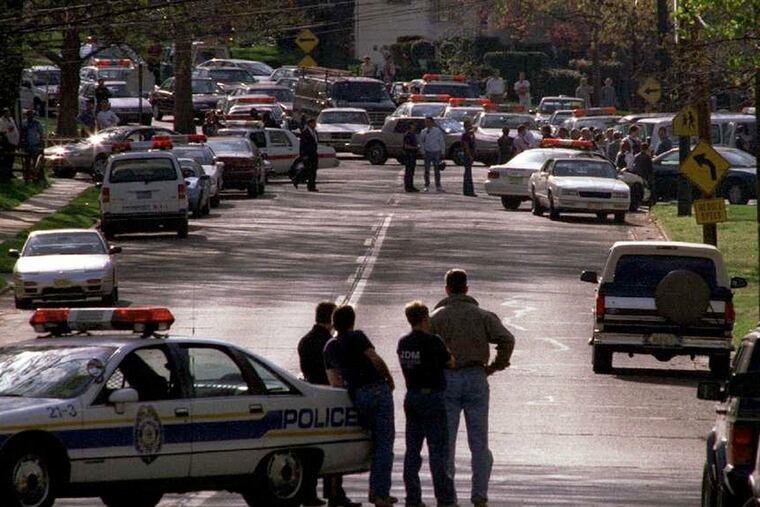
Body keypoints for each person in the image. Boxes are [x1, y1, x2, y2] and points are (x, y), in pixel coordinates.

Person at [430, 269, 515, 507]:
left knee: (447, 442)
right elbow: (507, 339)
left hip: (447, 379)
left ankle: (448, 496)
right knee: (479, 442)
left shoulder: (436, 317)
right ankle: (479, 495)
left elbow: (424, 346)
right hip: (476, 376)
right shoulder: (482, 315)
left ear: (447, 289)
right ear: (467, 288)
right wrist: (496, 365)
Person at [324, 305, 396, 507]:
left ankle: (376, 490)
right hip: (376, 389)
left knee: (369, 439)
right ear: (352, 322)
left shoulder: (329, 346)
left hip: (356, 394)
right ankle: (380, 494)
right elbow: (375, 359)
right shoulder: (358, 337)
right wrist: (389, 379)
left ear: (334, 323)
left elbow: (334, 381)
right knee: (384, 443)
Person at [298, 302, 361, 507]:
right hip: (330, 397)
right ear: (332, 319)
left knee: (310, 449)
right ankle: (335, 493)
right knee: (334, 447)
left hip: (310, 396)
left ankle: (308, 493)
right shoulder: (330, 342)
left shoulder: (305, 341)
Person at [397, 301, 457, 507]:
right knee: (437, 450)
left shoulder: (403, 343)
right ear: (425, 319)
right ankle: (445, 498)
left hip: (412, 396)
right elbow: (450, 362)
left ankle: (413, 497)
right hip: (432, 397)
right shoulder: (434, 341)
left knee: (412, 450)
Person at [420, 116, 445, 192]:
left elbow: (441, 141)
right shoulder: (423, 131)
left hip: (436, 151)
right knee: (426, 170)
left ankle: (438, 185)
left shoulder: (437, 131)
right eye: (426, 122)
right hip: (427, 152)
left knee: (437, 170)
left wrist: (442, 151)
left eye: (428, 121)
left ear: (432, 122)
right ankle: (426, 185)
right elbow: (421, 142)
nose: (427, 123)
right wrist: (423, 152)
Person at [20, 110, 44, 183]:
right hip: (27, 145)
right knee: (26, 162)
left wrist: (40, 143)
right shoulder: (24, 123)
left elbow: (41, 133)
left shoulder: (37, 123)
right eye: (29, 115)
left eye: (31, 115)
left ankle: (35, 177)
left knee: (35, 162)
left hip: (35, 144)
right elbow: (21, 133)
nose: (30, 116)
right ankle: (26, 177)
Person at [299, 118, 320, 191]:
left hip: (314, 154)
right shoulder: (305, 133)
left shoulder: (315, 132)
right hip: (308, 155)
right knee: (309, 171)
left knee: (313, 171)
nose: (315, 125)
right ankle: (310, 186)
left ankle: (312, 186)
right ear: (310, 124)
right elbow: (302, 145)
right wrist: (303, 155)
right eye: (314, 123)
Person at [0, 108, 20, 181]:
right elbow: (2, 131)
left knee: (12, 158)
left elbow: (14, 128)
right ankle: (6, 173)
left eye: (8, 112)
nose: (8, 113)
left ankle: (10, 172)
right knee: (7, 158)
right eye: (6, 112)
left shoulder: (11, 119)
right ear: (4, 113)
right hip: (7, 142)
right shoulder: (1, 121)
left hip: (14, 141)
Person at [461, 118, 477, 197]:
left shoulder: (470, 134)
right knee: (467, 173)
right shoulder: (465, 135)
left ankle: (468, 190)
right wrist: (470, 155)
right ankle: (468, 190)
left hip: (470, 154)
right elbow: (466, 146)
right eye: (469, 125)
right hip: (467, 155)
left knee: (468, 173)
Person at [402, 122, 419, 192]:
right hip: (409, 155)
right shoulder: (408, 135)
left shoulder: (413, 134)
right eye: (413, 125)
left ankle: (411, 185)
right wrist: (415, 148)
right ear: (410, 126)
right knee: (408, 171)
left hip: (412, 155)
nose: (415, 127)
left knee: (411, 172)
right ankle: (408, 186)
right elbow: (405, 146)